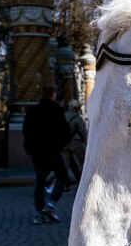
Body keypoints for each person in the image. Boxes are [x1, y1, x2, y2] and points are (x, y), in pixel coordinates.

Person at [23, 83, 71, 224]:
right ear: (53, 94)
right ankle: (50, 205)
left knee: (40, 180)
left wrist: (31, 147)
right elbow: (65, 132)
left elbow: (26, 130)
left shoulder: (33, 110)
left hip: (37, 152)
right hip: (52, 151)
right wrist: (60, 145)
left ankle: (38, 212)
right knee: (62, 176)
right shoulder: (56, 110)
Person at [62, 99, 87, 185]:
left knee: (65, 166)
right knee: (83, 163)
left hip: (64, 143)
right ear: (77, 108)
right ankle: (84, 183)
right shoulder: (77, 118)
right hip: (77, 143)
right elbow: (84, 132)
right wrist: (87, 143)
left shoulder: (62, 115)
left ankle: (56, 181)